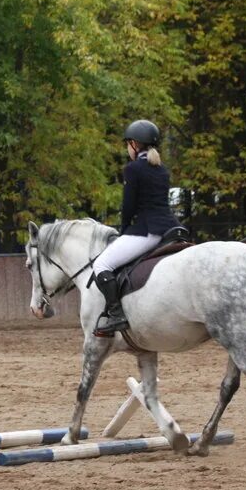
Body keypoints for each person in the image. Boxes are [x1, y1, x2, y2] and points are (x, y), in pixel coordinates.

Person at [90, 119, 182, 336]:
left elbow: (129, 206)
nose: (127, 148)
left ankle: (116, 314)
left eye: (127, 144)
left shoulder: (133, 169)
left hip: (147, 230)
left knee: (102, 264)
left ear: (134, 144)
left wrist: (123, 231)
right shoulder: (162, 170)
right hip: (171, 227)